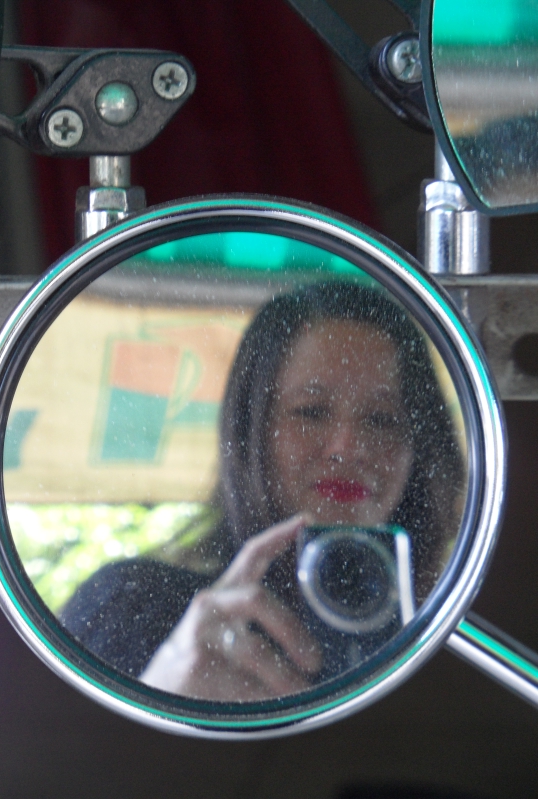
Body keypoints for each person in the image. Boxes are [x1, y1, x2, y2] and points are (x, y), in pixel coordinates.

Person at [60, 281, 465, 701]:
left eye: (381, 419)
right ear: (251, 432)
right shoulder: (134, 606)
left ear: (420, 448)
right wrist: (165, 688)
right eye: (310, 412)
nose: (348, 447)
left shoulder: (456, 634)